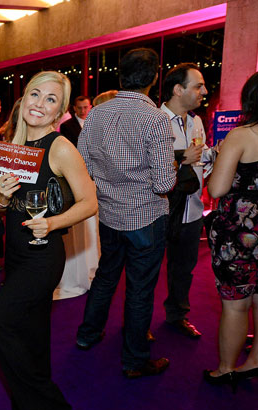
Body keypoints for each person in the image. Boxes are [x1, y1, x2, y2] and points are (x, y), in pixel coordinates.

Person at [0, 71, 97, 410]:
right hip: (15, 254)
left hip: (43, 256)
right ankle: (30, 408)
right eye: (35, 94)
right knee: (31, 332)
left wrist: (55, 222)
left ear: (60, 111)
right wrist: (0, 195)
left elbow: (90, 202)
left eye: (50, 100)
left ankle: (46, 402)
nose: (39, 104)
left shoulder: (59, 147)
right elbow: (2, 210)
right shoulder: (12, 147)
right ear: (23, 99)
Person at [75, 48, 176, 379]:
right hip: (146, 216)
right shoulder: (156, 119)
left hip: (108, 213)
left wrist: (109, 181)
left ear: (120, 75)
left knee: (106, 275)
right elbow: (164, 182)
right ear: (154, 78)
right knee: (140, 289)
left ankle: (88, 335)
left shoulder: (96, 115)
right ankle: (134, 360)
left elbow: (83, 165)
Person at [204, 72, 258, 388]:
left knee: (236, 303)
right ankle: (254, 361)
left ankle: (227, 368)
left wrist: (223, 157)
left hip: (239, 235)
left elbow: (218, 187)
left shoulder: (241, 135)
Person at [160, 63, 212, 339]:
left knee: (184, 268)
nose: (204, 91)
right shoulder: (153, 120)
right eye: (197, 86)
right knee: (145, 271)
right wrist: (180, 158)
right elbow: (141, 164)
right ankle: (137, 325)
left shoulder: (196, 121)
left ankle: (177, 314)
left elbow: (202, 159)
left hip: (191, 209)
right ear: (178, 90)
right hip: (158, 209)